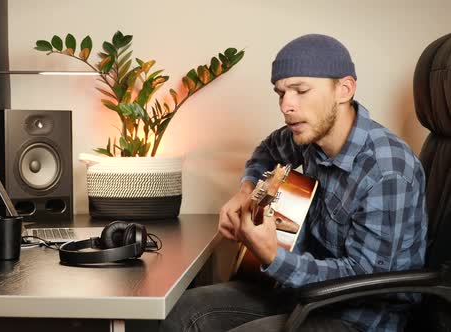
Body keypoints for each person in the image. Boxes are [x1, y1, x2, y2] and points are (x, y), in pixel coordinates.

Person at [159, 34, 427, 332]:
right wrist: (245, 190)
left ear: (344, 89)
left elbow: (363, 279)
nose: (286, 105)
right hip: (300, 290)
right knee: (182, 312)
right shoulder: (309, 136)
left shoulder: (387, 168)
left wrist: (274, 257)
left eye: (300, 90)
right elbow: (267, 151)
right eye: (280, 93)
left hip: (360, 316)